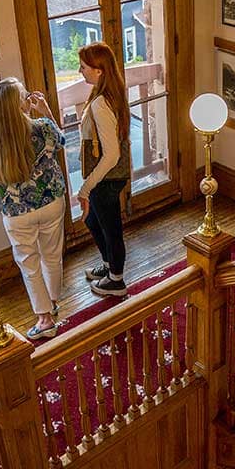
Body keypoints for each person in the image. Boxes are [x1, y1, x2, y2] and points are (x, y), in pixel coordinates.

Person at [0, 77, 66, 340]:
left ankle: (44, 318)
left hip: (16, 213)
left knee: (29, 264)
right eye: (25, 97)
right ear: (21, 104)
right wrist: (46, 112)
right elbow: (60, 141)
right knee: (52, 256)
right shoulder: (43, 128)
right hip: (51, 203)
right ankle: (54, 303)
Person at [77, 42, 131, 298]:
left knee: (111, 229)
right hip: (109, 176)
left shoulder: (101, 103)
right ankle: (110, 266)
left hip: (106, 177)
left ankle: (116, 281)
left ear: (99, 70)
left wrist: (86, 188)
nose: (80, 71)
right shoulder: (109, 93)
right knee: (93, 221)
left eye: (84, 67)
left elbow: (111, 155)